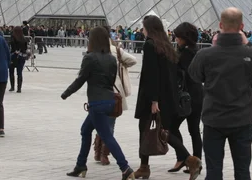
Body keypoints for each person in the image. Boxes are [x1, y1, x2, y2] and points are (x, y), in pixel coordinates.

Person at [189, 7, 252, 180]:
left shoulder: (205, 54)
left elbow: (195, 76)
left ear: (220, 25)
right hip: (242, 120)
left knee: (213, 172)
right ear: (242, 26)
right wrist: (247, 43)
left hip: (213, 119)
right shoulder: (249, 52)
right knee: (242, 172)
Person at [61, 27, 135, 179]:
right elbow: (111, 80)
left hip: (97, 103)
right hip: (109, 101)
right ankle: (80, 165)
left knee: (107, 136)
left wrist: (66, 93)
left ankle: (125, 168)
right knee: (85, 130)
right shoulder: (111, 58)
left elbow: (81, 79)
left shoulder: (90, 58)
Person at [133, 16, 202, 180]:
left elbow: (151, 74)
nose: (142, 30)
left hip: (152, 96)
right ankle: (146, 166)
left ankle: (189, 160)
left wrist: (153, 100)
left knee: (149, 130)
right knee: (161, 130)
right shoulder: (166, 46)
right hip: (167, 96)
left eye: (143, 27)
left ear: (149, 28)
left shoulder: (150, 45)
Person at [94, 27, 137, 166]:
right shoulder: (116, 50)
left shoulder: (93, 51)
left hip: (98, 93)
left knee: (100, 122)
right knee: (110, 124)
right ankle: (103, 154)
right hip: (114, 92)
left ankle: (98, 150)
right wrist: (122, 67)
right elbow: (133, 60)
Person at [167, 22, 204, 174]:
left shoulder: (187, 54)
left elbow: (179, 72)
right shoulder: (196, 50)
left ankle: (185, 158)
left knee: (170, 127)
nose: (176, 39)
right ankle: (195, 161)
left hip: (186, 97)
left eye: (178, 36)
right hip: (197, 95)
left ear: (185, 38)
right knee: (194, 130)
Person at [9, 26, 28, 93]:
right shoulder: (23, 38)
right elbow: (25, 48)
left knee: (11, 71)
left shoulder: (13, 37)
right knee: (19, 72)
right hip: (21, 56)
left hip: (14, 56)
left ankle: (12, 86)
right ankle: (19, 88)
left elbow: (12, 46)